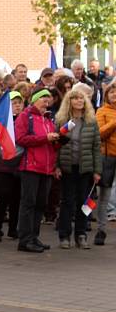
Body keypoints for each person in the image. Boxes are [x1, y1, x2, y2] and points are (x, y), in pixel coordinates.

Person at [54, 89, 101, 249]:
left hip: (85, 168)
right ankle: (64, 236)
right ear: (70, 101)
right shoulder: (61, 120)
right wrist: (57, 166)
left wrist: (97, 171)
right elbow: (56, 145)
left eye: (82, 98)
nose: (79, 101)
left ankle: (81, 234)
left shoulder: (91, 121)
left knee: (84, 202)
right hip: (67, 167)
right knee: (67, 201)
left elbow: (96, 147)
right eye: (75, 98)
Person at [15, 87, 60, 253]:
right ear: (34, 100)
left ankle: (34, 237)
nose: (46, 102)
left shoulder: (47, 119)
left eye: (48, 99)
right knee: (29, 203)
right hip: (31, 167)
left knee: (40, 204)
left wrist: (59, 140)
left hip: (46, 168)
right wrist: (45, 138)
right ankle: (25, 239)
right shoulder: (25, 116)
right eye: (43, 99)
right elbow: (20, 139)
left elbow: (51, 145)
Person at [0, 91, 24, 242]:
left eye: (20, 103)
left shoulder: (24, 121)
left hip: (20, 164)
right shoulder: (3, 121)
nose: (17, 106)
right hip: (4, 164)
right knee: (3, 197)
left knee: (16, 198)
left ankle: (13, 229)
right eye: (14, 103)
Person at [95, 82, 116, 245]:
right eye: (112, 93)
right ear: (107, 95)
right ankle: (101, 230)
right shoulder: (101, 111)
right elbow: (100, 133)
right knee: (104, 196)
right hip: (107, 157)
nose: (115, 95)